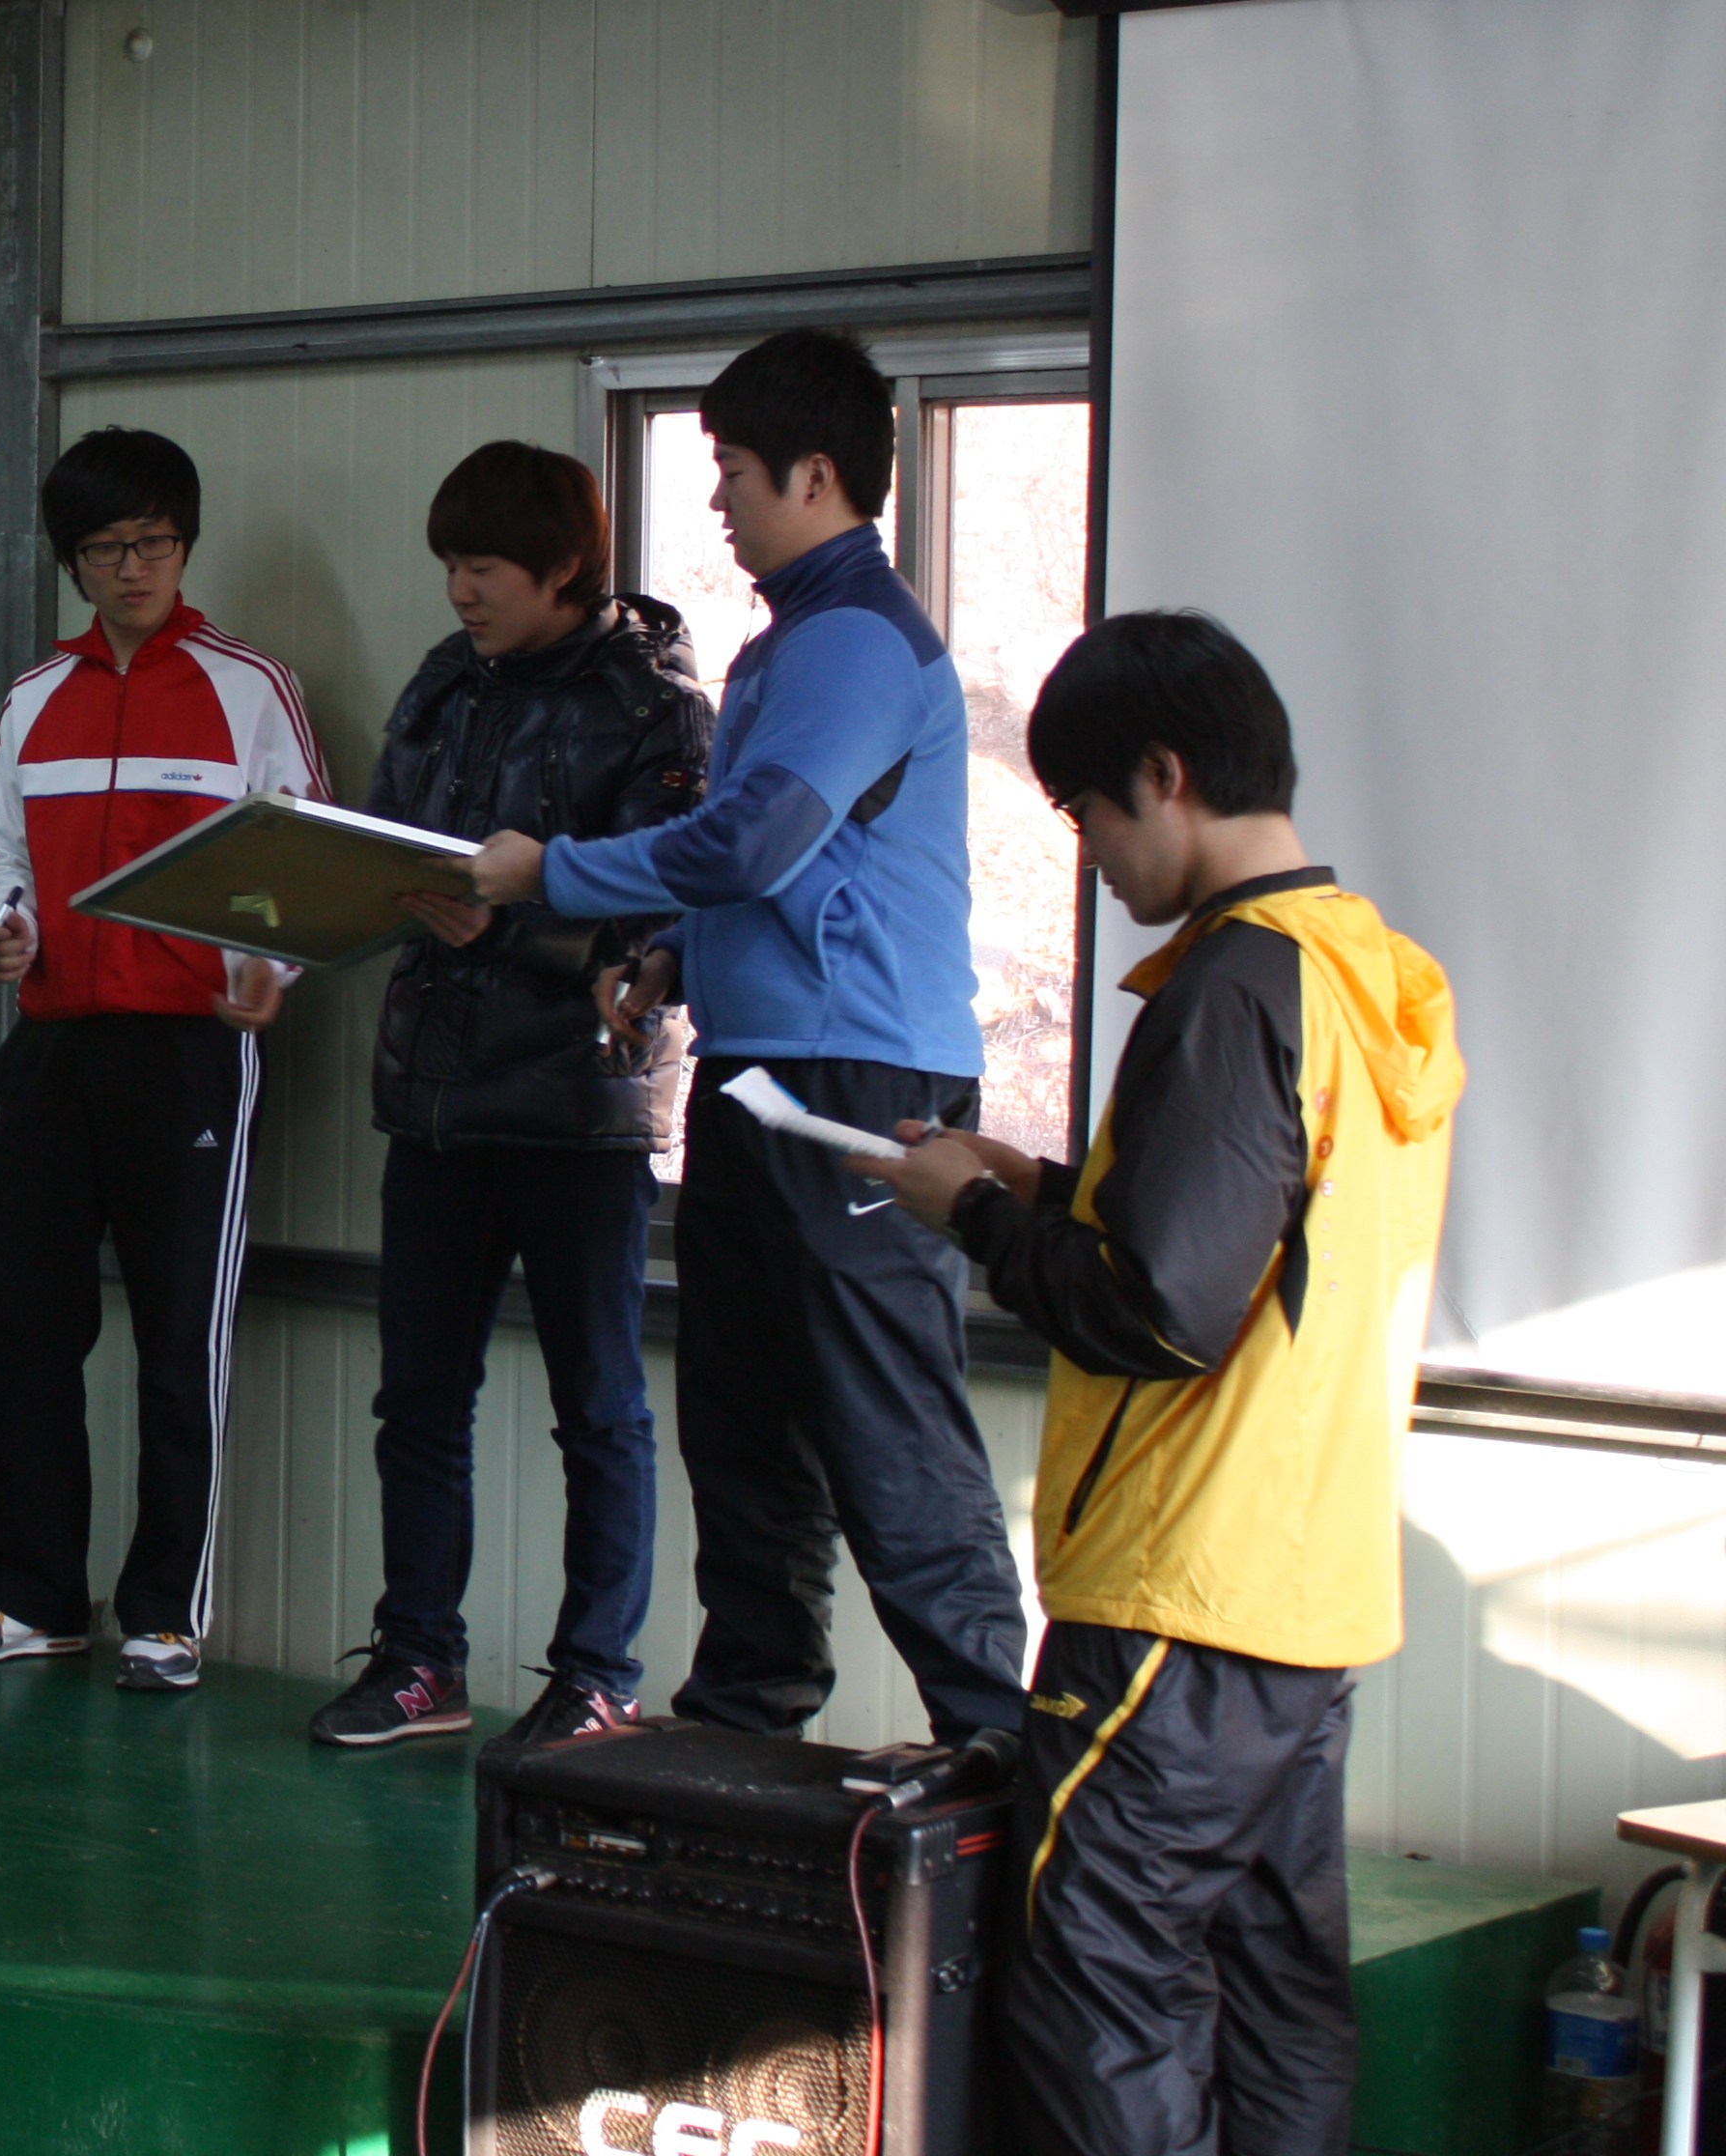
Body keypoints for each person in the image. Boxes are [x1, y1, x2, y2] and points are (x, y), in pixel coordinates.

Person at [843, 611, 1457, 2156]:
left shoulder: (1230, 988)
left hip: (1178, 1596)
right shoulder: (1356, 975)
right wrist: (1040, 1188)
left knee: (1099, 1981)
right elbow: (1254, 1248)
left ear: (1165, 776)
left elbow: (1162, 1312)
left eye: (1088, 812)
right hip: (1300, 1597)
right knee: (1271, 1988)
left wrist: (975, 1222)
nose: (1093, 858)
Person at [463, 326, 1026, 1743]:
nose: (717, 500)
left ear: (816, 477)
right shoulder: (789, 646)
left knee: (884, 1425)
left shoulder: (857, 639)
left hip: (861, 1083)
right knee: (743, 1419)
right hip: (761, 1070)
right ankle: (746, 1718)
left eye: (735, 471)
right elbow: (780, 867)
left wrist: (552, 874)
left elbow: (756, 839)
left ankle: (998, 1750)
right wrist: (669, 955)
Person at [311, 442, 711, 1751]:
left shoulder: (654, 704)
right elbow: (386, 836)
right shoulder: (446, 680)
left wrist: (512, 926)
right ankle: (418, 1658)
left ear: (563, 567)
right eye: (451, 566)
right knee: (418, 1401)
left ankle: (598, 1679)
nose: (461, 591)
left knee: (599, 1406)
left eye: (484, 567)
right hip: (434, 1096)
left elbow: (668, 912)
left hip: (579, 1103)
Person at [0, 427, 325, 1693]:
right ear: (71, 561)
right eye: (106, 547)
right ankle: (31, 1596)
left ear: (185, 544)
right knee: (25, 1336)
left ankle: (165, 1613)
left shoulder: (249, 688)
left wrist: (270, 966)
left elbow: (302, 856)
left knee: (178, 1338)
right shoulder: (33, 699)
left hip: (191, 1049)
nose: (133, 566)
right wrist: (5, 935)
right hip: (52, 1046)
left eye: (155, 540)